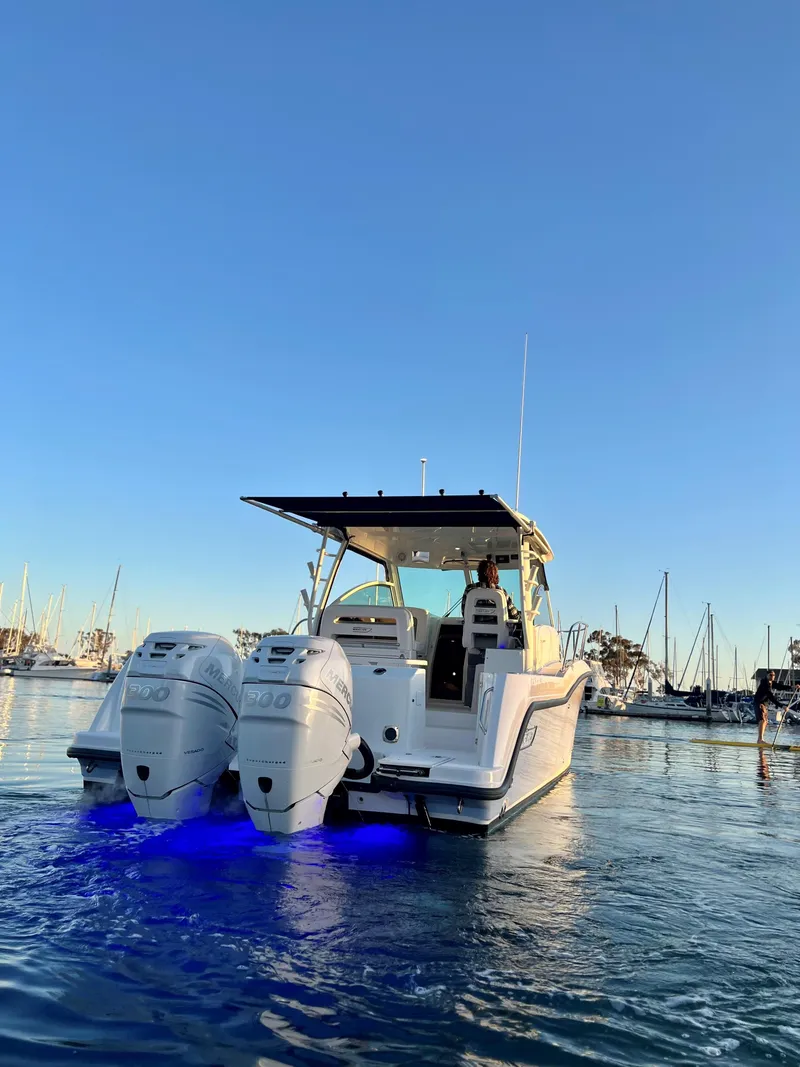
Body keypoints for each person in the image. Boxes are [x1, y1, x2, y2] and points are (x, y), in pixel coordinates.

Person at [752, 670, 798, 744]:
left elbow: (780, 687)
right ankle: (760, 739)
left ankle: (760, 739)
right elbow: (771, 697)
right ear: (767, 675)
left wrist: (792, 687)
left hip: (764, 704)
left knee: (765, 721)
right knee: (762, 720)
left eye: (773, 675)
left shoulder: (771, 683)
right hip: (758, 703)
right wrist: (782, 706)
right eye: (771, 675)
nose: (772, 676)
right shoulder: (765, 683)